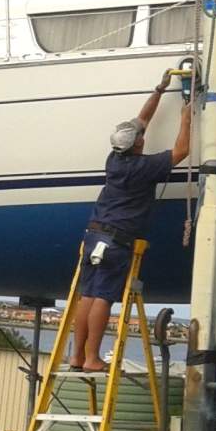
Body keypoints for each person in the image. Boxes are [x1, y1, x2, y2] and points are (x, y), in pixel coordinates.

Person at [69, 71, 193, 371]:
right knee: (103, 298)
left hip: (94, 235)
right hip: (116, 242)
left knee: (87, 295)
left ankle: (76, 356)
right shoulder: (144, 167)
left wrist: (160, 90)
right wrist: (187, 117)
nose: (143, 134)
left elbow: (142, 119)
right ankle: (93, 358)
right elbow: (182, 151)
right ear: (137, 144)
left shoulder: (114, 160)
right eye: (141, 137)